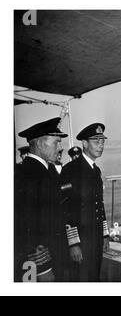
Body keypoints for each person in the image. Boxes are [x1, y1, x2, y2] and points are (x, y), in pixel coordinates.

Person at [14, 117, 68, 282]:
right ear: (38, 144)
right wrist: (43, 268)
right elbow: (27, 225)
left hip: (57, 252)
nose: (60, 148)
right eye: (55, 142)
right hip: (40, 262)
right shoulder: (26, 174)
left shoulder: (49, 170)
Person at [61, 123, 110, 281]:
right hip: (81, 238)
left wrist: (104, 234)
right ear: (84, 143)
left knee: (94, 277)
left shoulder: (95, 171)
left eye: (102, 142)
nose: (100, 145)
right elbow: (65, 208)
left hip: (95, 236)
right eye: (96, 141)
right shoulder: (71, 170)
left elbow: (99, 203)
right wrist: (73, 243)